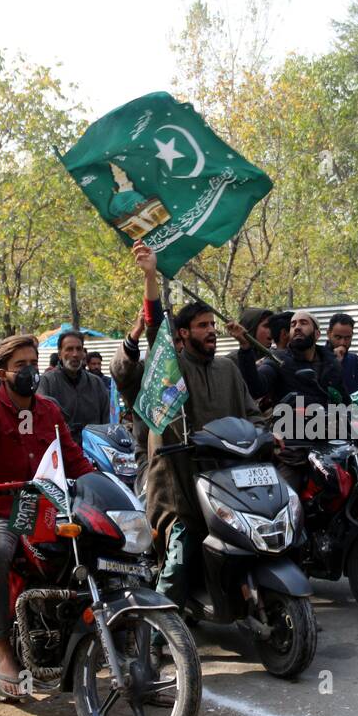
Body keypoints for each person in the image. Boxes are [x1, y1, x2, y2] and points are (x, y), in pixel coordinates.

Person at [0, 334, 98, 696]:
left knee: (97, 542)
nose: (29, 372)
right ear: (2, 372)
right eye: (20, 365)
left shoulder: (48, 410)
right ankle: (4, 648)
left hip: (47, 507)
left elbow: (73, 456)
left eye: (33, 364)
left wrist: (101, 481)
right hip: (4, 511)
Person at [145, 300, 264, 607]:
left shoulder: (228, 368)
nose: (211, 330)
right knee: (179, 559)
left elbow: (253, 413)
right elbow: (155, 333)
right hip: (180, 485)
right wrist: (150, 278)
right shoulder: (171, 369)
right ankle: (155, 637)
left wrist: (268, 434)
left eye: (212, 324)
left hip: (228, 481)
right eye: (202, 325)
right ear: (183, 333)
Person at [110, 242, 164, 482]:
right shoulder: (142, 376)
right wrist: (150, 276)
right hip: (152, 460)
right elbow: (120, 370)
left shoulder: (199, 370)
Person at [255, 310, 345, 408]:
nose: (297, 327)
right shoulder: (277, 360)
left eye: (303, 323)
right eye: (293, 325)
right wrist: (245, 352)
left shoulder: (331, 363)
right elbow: (257, 387)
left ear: (317, 334)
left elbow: (345, 403)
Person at [36, 329, 110, 438]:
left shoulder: (96, 383)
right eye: (69, 349)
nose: (75, 354)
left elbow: (106, 423)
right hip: (61, 450)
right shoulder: (47, 382)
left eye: (79, 349)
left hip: (94, 450)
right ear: (60, 354)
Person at [227, 306, 275, 406]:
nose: (272, 330)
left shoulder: (275, 358)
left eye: (273, 326)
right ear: (250, 329)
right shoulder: (231, 362)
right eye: (266, 326)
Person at [326, 312, 358, 396]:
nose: (343, 343)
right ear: (328, 333)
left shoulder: (355, 360)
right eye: (338, 337)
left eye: (347, 338)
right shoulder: (316, 357)